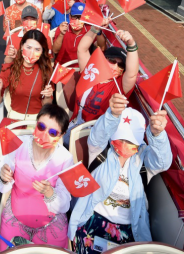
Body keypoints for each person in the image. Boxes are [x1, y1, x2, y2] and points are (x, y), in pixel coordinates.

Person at [69, 94, 172, 252]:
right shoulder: (101, 150)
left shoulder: (143, 159)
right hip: (93, 220)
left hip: (131, 229)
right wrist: (112, 115)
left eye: (130, 141)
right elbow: (97, 137)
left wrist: (157, 135)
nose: (124, 145)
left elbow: (162, 162)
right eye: (120, 139)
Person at [0, 104, 74, 250]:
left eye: (53, 132)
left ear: (61, 135)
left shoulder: (65, 158)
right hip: (15, 220)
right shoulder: (17, 145)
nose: (45, 134)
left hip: (51, 225)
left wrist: (50, 193)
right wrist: (3, 176)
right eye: (41, 126)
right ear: (36, 124)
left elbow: (64, 202)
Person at [65, 25, 139, 143]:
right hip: (73, 126)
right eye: (112, 61)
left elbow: (131, 74)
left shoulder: (118, 86)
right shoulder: (91, 71)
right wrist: (95, 29)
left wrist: (131, 44)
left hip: (96, 136)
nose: (115, 66)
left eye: (121, 65)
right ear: (103, 59)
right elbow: (82, 50)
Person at [0, 30, 54, 121]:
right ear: (21, 47)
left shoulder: (46, 71)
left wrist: (48, 96)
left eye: (37, 49)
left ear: (42, 52)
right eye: (28, 47)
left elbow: (47, 105)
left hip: (38, 119)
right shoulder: (10, 68)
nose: (31, 52)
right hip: (15, 118)